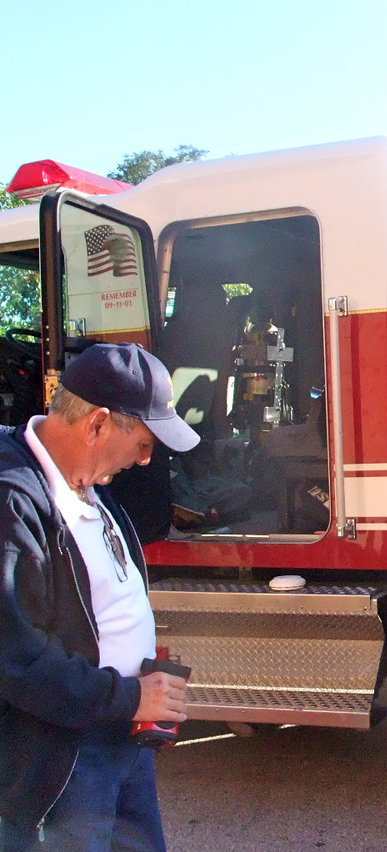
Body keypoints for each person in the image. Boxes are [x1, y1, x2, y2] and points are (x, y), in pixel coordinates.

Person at [0, 343, 201, 851]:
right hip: (61, 760)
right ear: (96, 425)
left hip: (118, 738)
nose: (147, 458)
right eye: (144, 442)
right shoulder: (12, 501)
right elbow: (15, 661)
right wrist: (130, 696)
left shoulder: (86, 480)